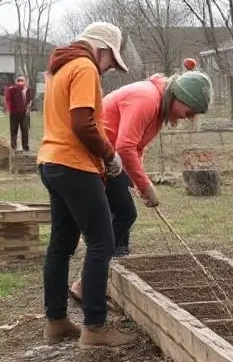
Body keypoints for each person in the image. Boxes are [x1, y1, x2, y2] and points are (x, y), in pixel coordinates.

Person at [67, 68, 213, 303]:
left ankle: (113, 277)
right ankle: (87, 282)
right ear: (180, 97)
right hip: (94, 158)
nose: (189, 116)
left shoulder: (158, 106)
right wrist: (146, 186)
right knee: (124, 215)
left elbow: (136, 148)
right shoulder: (147, 99)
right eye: (190, 110)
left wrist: (137, 182)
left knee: (122, 217)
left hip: (110, 160)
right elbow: (125, 146)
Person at [37, 22, 136, 349]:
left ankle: (56, 322)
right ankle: (94, 328)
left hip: (51, 161)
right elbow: (82, 122)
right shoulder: (83, 67)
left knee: (62, 244)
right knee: (101, 242)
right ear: (102, 48)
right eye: (110, 61)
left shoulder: (59, 68)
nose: (108, 69)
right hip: (74, 164)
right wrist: (109, 156)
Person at [4, 75, 33, 152]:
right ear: (16, 82)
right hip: (14, 113)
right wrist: (9, 109)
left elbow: (30, 99)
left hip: (25, 113)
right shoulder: (12, 89)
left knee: (25, 130)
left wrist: (28, 107)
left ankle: (25, 147)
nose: (20, 82)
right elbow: (7, 99)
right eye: (19, 81)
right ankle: (13, 147)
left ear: (25, 81)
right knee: (14, 131)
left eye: (22, 81)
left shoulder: (28, 89)